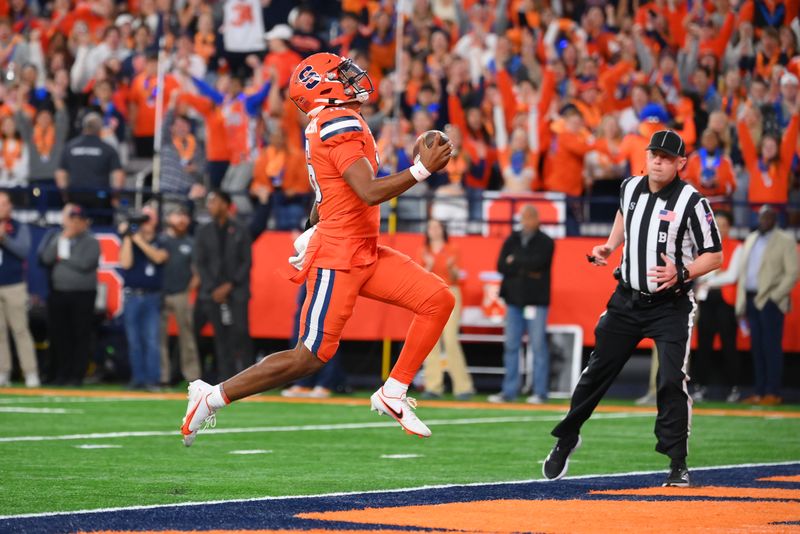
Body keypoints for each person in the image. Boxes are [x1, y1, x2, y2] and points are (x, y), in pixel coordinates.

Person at [181, 53, 454, 446]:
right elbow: (368, 191)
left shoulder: (332, 121)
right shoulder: (336, 121)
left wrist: (316, 223)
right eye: (342, 74)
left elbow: (331, 188)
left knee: (437, 299)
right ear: (323, 87)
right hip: (341, 257)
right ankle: (212, 396)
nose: (354, 78)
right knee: (308, 357)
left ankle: (393, 391)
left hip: (363, 248)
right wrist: (421, 170)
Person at [542, 130, 723, 488]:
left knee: (672, 379)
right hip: (626, 298)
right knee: (596, 371)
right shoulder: (631, 187)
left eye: (666, 157)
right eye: (654, 154)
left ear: (680, 163)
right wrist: (610, 247)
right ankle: (568, 436)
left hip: (670, 305)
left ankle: (677, 462)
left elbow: (715, 254)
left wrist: (682, 271)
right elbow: (625, 215)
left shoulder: (692, 201)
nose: (658, 161)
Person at [488, 205, 555, 404]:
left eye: (529, 217)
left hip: (536, 301)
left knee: (538, 346)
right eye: (523, 217)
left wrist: (515, 262)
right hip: (513, 300)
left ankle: (540, 392)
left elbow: (539, 263)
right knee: (511, 346)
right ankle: (509, 391)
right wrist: (525, 268)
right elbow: (501, 265)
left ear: (537, 219)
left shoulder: (546, 241)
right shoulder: (512, 239)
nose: (526, 221)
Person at [736, 205, 798, 406]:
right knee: (757, 348)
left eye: (768, 217)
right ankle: (760, 392)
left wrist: (776, 296)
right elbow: (745, 272)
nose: (764, 221)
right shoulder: (752, 238)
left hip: (771, 301)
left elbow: (793, 272)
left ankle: (773, 392)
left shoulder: (785, 240)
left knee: (771, 348)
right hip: (751, 297)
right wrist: (741, 301)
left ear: (776, 219)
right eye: (762, 217)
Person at [193, 190, 253, 381]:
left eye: (214, 202)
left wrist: (230, 285)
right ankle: (226, 379)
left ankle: (250, 379)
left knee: (241, 333)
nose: (210, 206)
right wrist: (213, 287)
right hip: (213, 292)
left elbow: (247, 261)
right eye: (209, 202)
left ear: (226, 204)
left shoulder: (240, 229)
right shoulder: (203, 231)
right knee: (220, 336)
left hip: (237, 291)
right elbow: (200, 263)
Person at [37, 204, 100, 386]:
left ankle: (76, 375)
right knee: (59, 334)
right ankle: (60, 373)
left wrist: (64, 258)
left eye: (78, 220)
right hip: (59, 293)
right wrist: (61, 241)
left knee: (80, 335)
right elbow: (46, 259)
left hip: (83, 294)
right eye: (71, 220)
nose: (74, 224)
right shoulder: (58, 237)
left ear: (84, 222)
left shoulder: (91, 241)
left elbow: (85, 264)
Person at [419, 219, 474, 400]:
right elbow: (420, 277)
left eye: (437, 227)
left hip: (450, 291)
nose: (434, 230)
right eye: (431, 227)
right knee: (430, 341)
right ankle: (433, 386)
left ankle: (463, 387)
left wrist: (452, 268)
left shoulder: (452, 249)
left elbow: (457, 277)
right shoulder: (423, 251)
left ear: (443, 230)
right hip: (430, 294)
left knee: (450, 339)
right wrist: (427, 265)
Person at [692, 211, 742, 403]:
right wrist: (715, 273)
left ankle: (734, 388)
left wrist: (709, 278)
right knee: (703, 346)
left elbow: (733, 276)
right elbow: (697, 272)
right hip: (706, 301)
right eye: (717, 224)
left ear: (730, 227)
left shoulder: (737, 246)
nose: (720, 228)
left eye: (724, 224)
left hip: (725, 301)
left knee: (729, 345)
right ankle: (700, 387)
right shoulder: (704, 246)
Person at [118, 203, 168, 391]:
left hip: (152, 296)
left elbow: (158, 257)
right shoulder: (131, 239)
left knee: (151, 339)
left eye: (149, 218)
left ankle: (152, 379)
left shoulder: (161, 240)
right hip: (132, 295)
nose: (145, 222)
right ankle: (137, 378)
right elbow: (125, 262)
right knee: (134, 340)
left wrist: (137, 239)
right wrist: (128, 238)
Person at [0, 192, 39, 387]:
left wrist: (4, 239)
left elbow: (23, 251)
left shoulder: (17, 227)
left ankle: (30, 372)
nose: (3, 207)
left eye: (5, 203)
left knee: (20, 329)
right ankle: (3, 372)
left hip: (14, 284)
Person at [159, 205, 201, 385]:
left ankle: (193, 377)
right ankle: (162, 376)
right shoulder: (160, 241)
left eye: (185, 215)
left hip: (181, 293)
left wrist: (187, 290)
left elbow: (197, 272)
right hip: (160, 293)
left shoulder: (190, 243)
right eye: (178, 215)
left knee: (187, 337)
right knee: (158, 338)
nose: (182, 220)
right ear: (168, 218)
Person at [55, 113, 125, 214]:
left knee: (76, 227)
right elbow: (118, 176)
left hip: (75, 196)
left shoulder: (69, 147)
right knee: (100, 228)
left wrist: (65, 196)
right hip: (100, 197)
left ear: (83, 127)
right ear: (100, 128)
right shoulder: (107, 149)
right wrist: (115, 198)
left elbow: (60, 173)